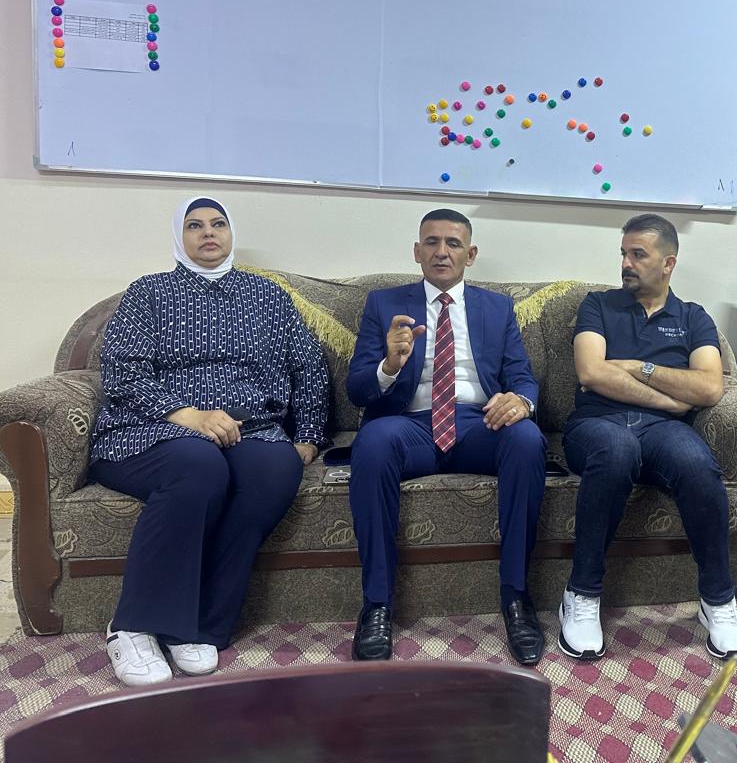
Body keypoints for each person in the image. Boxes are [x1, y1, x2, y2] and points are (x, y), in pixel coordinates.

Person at [89, 196, 328, 686]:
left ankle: (197, 625)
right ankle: (132, 625)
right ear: (180, 237)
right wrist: (187, 416)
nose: (208, 233)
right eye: (194, 226)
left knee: (275, 470)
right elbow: (122, 371)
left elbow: (308, 364)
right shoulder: (150, 293)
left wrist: (307, 434)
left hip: (249, 429)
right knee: (200, 465)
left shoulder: (268, 296)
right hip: (155, 427)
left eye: (218, 224)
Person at [345, 209, 547, 665]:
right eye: (431, 242)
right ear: (416, 251)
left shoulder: (498, 308)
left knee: (527, 440)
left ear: (470, 254)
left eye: (453, 243)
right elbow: (356, 389)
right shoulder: (383, 304)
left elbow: (522, 376)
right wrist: (388, 367)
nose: (441, 252)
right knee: (372, 443)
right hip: (410, 425)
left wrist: (521, 401)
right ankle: (377, 604)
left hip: (478, 424)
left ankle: (516, 598)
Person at [558, 214, 737, 663]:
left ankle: (718, 599)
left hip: (664, 432)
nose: (626, 263)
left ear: (668, 263)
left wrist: (636, 367)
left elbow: (710, 388)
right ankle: (581, 594)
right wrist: (669, 398)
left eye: (638, 254)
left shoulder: (693, 317)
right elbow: (591, 373)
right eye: (623, 253)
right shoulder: (597, 305)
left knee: (698, 465)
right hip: (597, 424)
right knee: (618, 450)